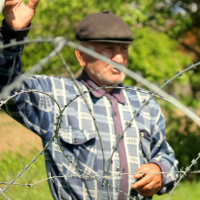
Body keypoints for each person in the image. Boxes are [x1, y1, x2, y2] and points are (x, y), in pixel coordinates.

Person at [0, 0, 178, 200]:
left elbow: (166, 155)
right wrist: (13, 34)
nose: (119, 58)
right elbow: (7, 88)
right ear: (81, 55)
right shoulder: (55, 96)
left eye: (123, 48)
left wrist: (159, 170)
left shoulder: (146, 103)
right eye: (108, 48)